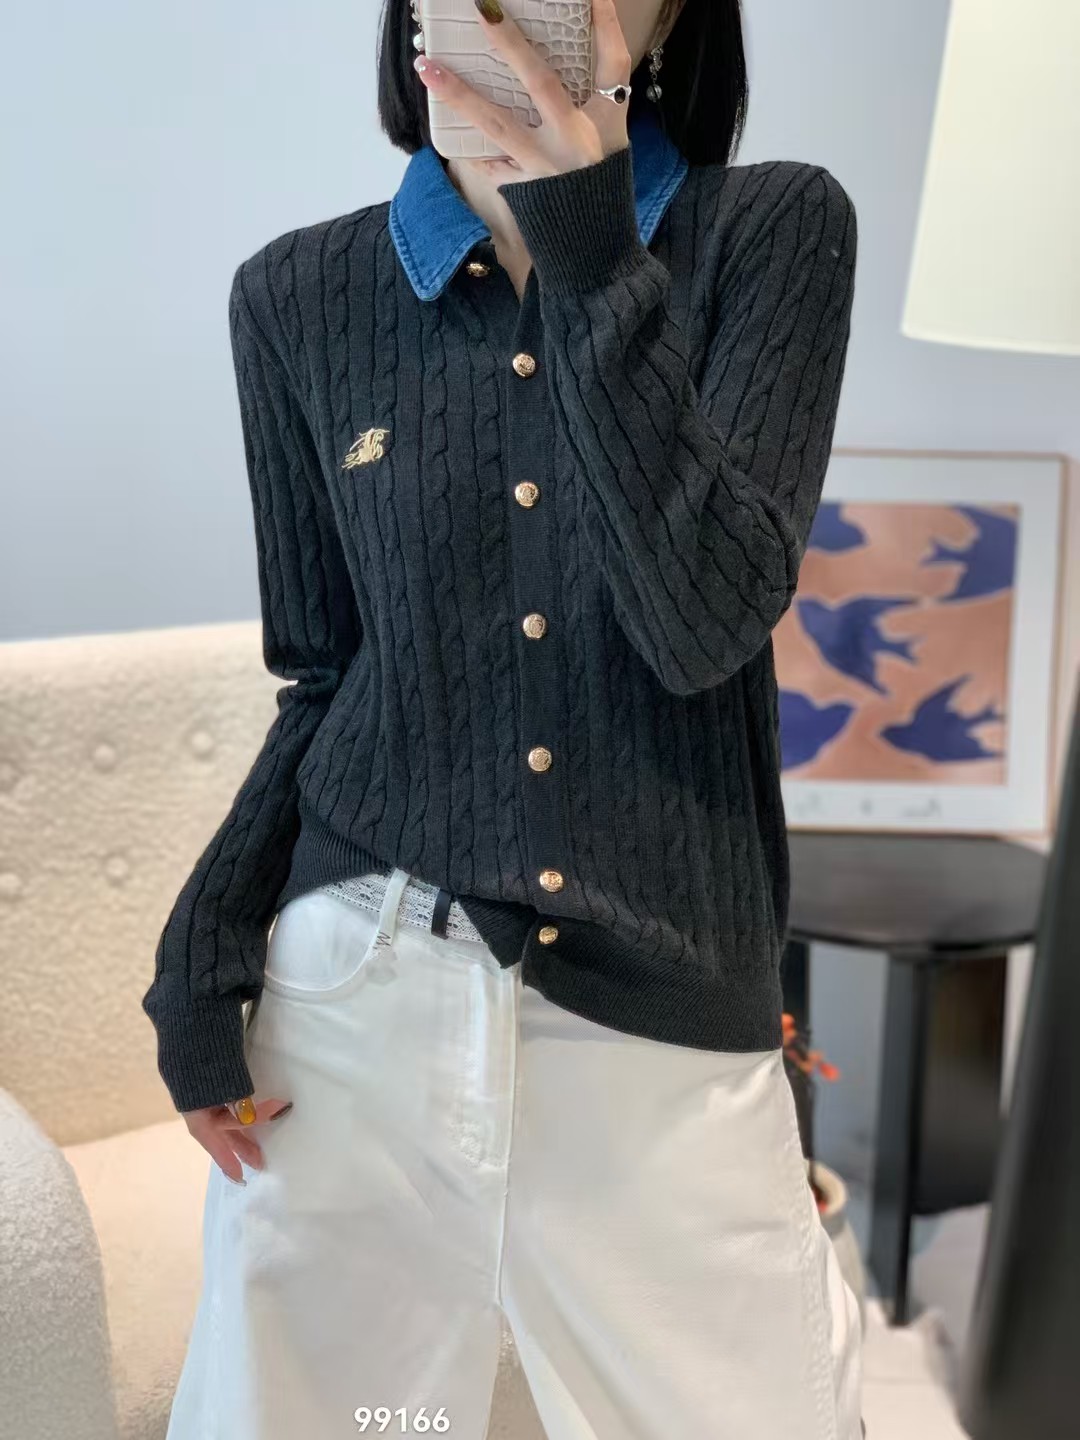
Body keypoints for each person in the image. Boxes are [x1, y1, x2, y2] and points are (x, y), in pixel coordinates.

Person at [144, 0, 864, 1435]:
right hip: (353, 1007)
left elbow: (704, 622)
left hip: (660, 1030)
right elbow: (326, 673)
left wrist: (591, 244)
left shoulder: (774, 231)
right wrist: (205, 947)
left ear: (672, 18)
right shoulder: (295, 294)